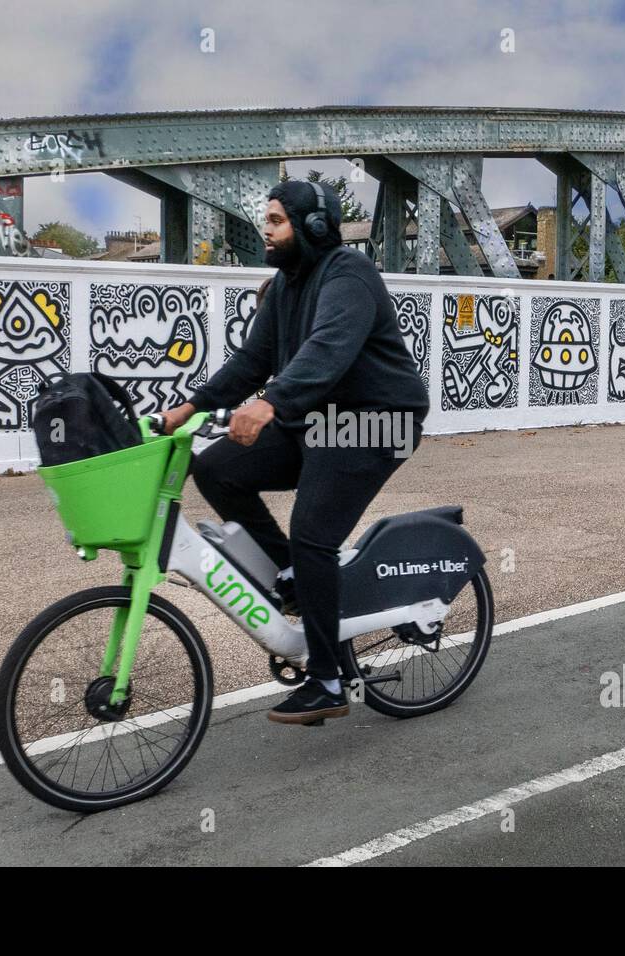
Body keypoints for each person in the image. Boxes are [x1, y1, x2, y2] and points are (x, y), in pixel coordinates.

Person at [159, 179, 429, 725]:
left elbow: (328, 350)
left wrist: (271, 404)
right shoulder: (285, 286)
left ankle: (328, 680)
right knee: (217, 469)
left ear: (313, 227)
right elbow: (251, 360)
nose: (266, 228)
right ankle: (292, 577)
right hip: (316, 419)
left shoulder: (349, 275)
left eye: (277, 220)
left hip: (377, 420)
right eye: (268, 219)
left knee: (313, 532)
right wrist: (186, 410)